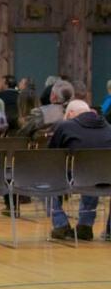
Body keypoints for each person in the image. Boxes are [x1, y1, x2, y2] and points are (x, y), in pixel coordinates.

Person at [46, 100, 111, 241]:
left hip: (76, 177)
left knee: (47, 179)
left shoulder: (66, 126)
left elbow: (50, 155)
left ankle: (60, 225)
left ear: (70, 114)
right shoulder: (108, 127)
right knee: (93, 175)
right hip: (105, 178)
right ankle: (85, 226)